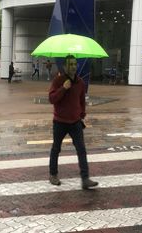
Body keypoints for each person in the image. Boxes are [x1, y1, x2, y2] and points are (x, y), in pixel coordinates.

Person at [48, 55, 98, 190]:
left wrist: (82, 114)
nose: (73, 66)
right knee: (56, 149)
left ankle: (85, 178)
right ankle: (53, 174)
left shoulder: (80, 82)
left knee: (81, 149)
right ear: (64, 66)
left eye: (75, 64)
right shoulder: (58, 81)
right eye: (70, 64)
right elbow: (52, 99)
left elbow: (82, 100)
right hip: (60, 122)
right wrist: (63, 88)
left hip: (75, 122)